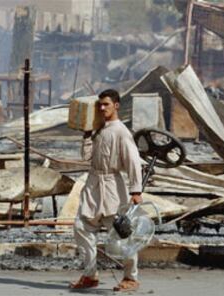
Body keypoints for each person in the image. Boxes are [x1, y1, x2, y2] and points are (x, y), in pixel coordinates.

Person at [70, 89, 143, 292]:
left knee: (121, 233)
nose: (102, 108)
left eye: (106, 104)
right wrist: (86, 136)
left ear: (116, 106)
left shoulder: (121, 131)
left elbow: (133, 161)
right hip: (94, 184)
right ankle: (90, 274)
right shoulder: (99, 130)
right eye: (100, 105)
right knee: (81, 227)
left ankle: (131, 277)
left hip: (112, 185)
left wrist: (135, 190)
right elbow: (87, 158)